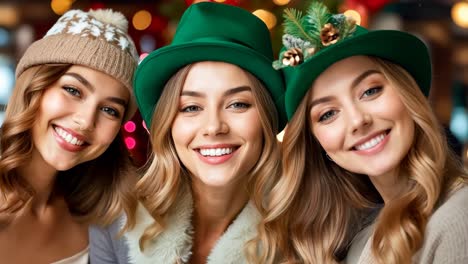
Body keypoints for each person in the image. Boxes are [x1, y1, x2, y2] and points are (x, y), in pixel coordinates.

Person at [264, 2, 468, 264]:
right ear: (316, 144)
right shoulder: (359, 241)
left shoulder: (457, 217)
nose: (358, 121)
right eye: (328, 114)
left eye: (370, 91)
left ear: (407, 94)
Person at [89, 2, 286, 264]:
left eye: (237, 104)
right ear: (168, 124)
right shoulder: (115, 224)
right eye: (191, 107)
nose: (214, 127)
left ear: (267, 117)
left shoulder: (311, 234)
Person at [0, 8, 139, 263]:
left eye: (110, 110)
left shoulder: (104, 220)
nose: (86, 121)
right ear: (34, 87)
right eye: (73, 90)